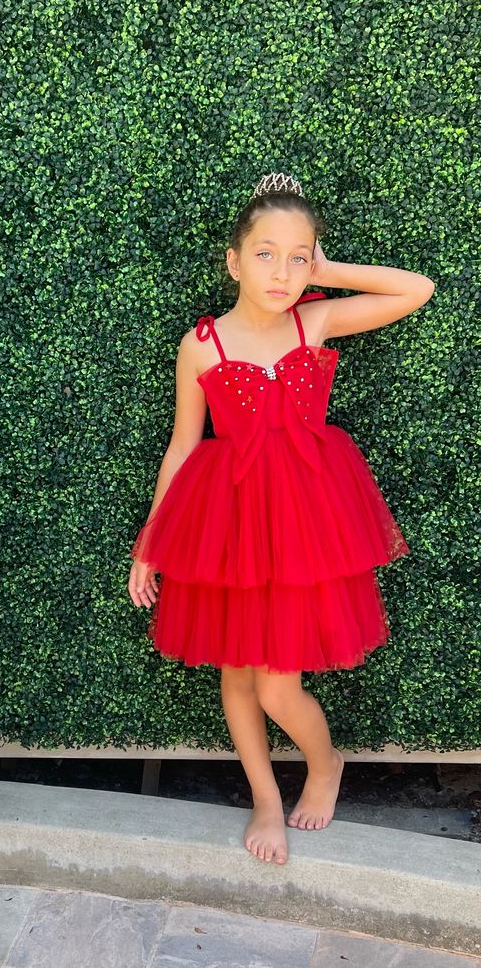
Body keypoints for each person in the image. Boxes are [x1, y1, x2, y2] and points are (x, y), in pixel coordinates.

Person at [127, 171, 435, 866]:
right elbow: (183, 445)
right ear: (233, 261)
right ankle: (266, 797)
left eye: (300, 255)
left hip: (305, 522)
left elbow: (416, 289)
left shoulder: (316, 317)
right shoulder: (201, 343)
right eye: (266, 253)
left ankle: (325, 765)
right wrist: (152, 541)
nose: (283, 270)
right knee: (237, 676)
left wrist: (328, 270)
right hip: (229, 524)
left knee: (275, 682)